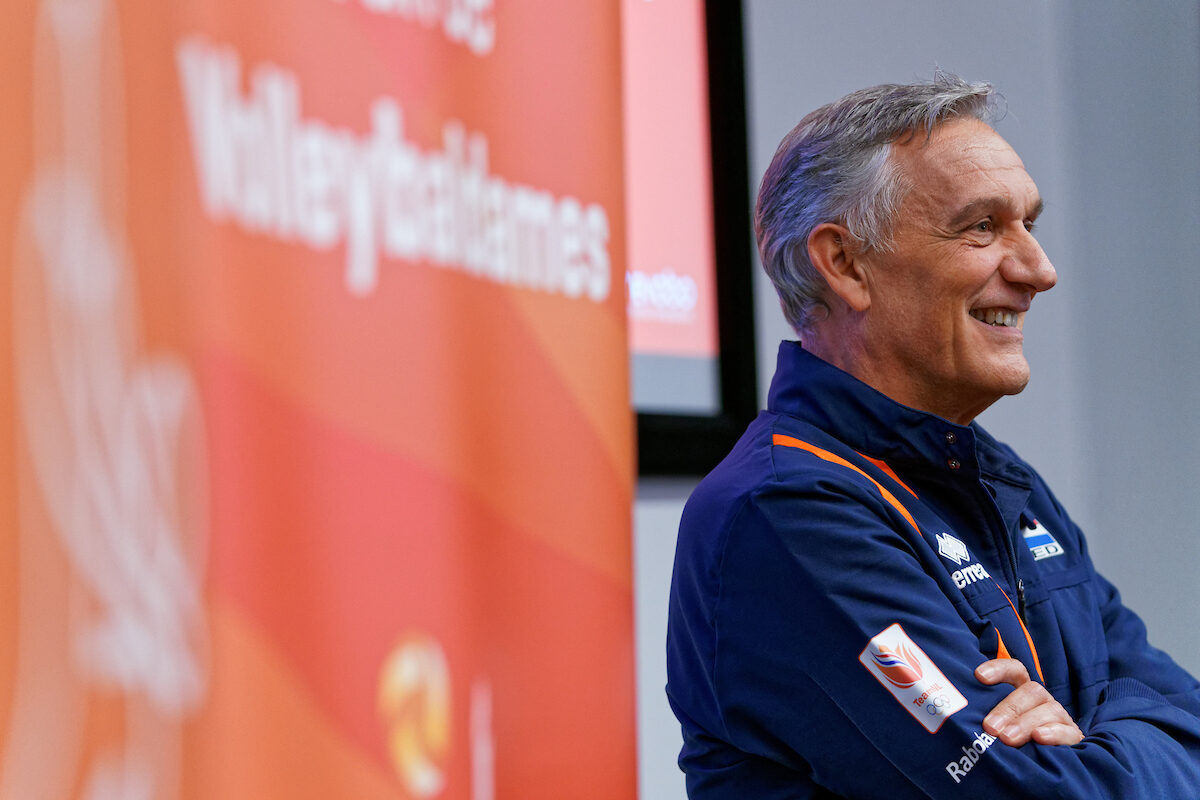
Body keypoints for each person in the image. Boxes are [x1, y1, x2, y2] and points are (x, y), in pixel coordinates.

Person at [665, 74, 1200, 799]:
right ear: (845, 264)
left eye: (1029, 225)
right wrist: (1116, 734)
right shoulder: (787, 511)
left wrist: (1094, 740)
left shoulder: (999, 480)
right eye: (981, 227)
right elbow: (1040, 793)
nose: (1039, 271)